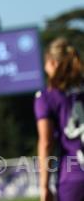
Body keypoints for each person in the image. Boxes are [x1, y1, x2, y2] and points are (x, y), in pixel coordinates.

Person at [34, 37, 84, 201]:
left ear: (54, 63)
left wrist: (44, 186)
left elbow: (46, 142)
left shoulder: (47, 96)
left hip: (74, 176)